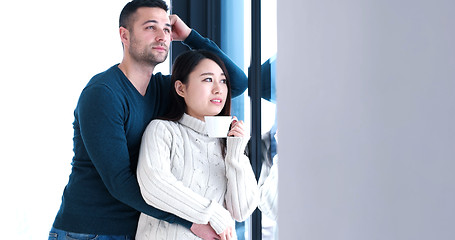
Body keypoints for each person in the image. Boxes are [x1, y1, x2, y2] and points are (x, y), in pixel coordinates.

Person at [48, 0, 248, 239]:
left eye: (166, 28)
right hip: (88, 231)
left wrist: (188, 36)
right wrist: (191, 221)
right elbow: (119, 181)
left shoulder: (163, 89)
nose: (162, 36)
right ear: (125, 35)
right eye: (150, 27)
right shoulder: (103, 93)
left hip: (136, 229)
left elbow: (236, 83)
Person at [135, 50, 259, 240]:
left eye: (223, 81)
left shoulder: (230, 144)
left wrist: (235, 154)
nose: (218, 89)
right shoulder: (163, 130)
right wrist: (214, 213)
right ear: (181, 88)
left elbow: (241, 211)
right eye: (208, 80)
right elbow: (154, 186)